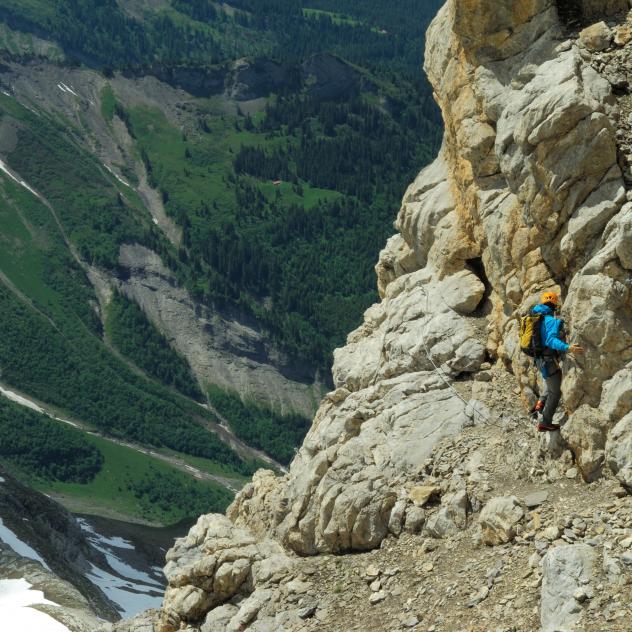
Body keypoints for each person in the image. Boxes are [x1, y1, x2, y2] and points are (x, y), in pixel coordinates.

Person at [530, 291, 584, 431]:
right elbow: (550, 340)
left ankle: (540, 404)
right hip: (548, 361)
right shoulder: (550, 320)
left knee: (552, 381)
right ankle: (545, 422)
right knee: (556, 392)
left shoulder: (536, 318)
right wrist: (568, 347)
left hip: (540, 359)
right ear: (554, 306)